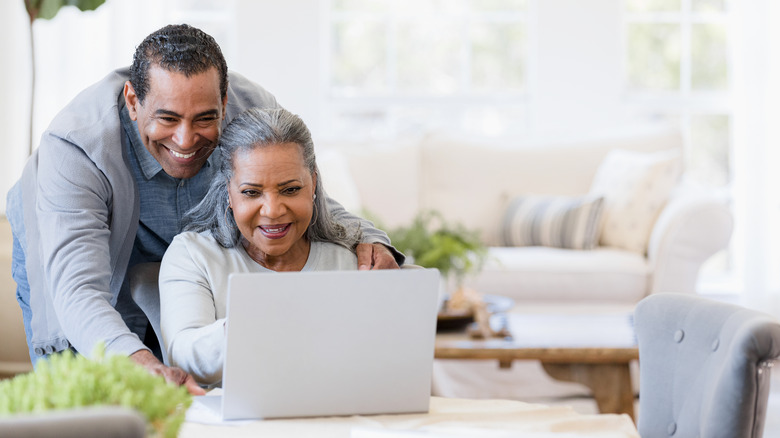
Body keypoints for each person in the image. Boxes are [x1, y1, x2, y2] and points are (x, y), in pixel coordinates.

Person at [5, 24, 402, 394]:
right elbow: (79, 291)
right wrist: (136, 360)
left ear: (225, 102)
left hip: (183, 243)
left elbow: (294, 189)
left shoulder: (252, 108)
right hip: (82, 247)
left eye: (205, 118)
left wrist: (367, 237)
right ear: (132, 101)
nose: (186, 138)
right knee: (95, 385)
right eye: (168, 118)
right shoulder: (76, 145)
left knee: (179, 391)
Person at [159, 107, 360, 385]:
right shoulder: (194, 255)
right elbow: (184, 356)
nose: (273, 211)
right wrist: (253, 323)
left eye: (290, 189)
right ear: (228, 191)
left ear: (313, 184)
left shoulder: (349, 260)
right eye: (251, 192)